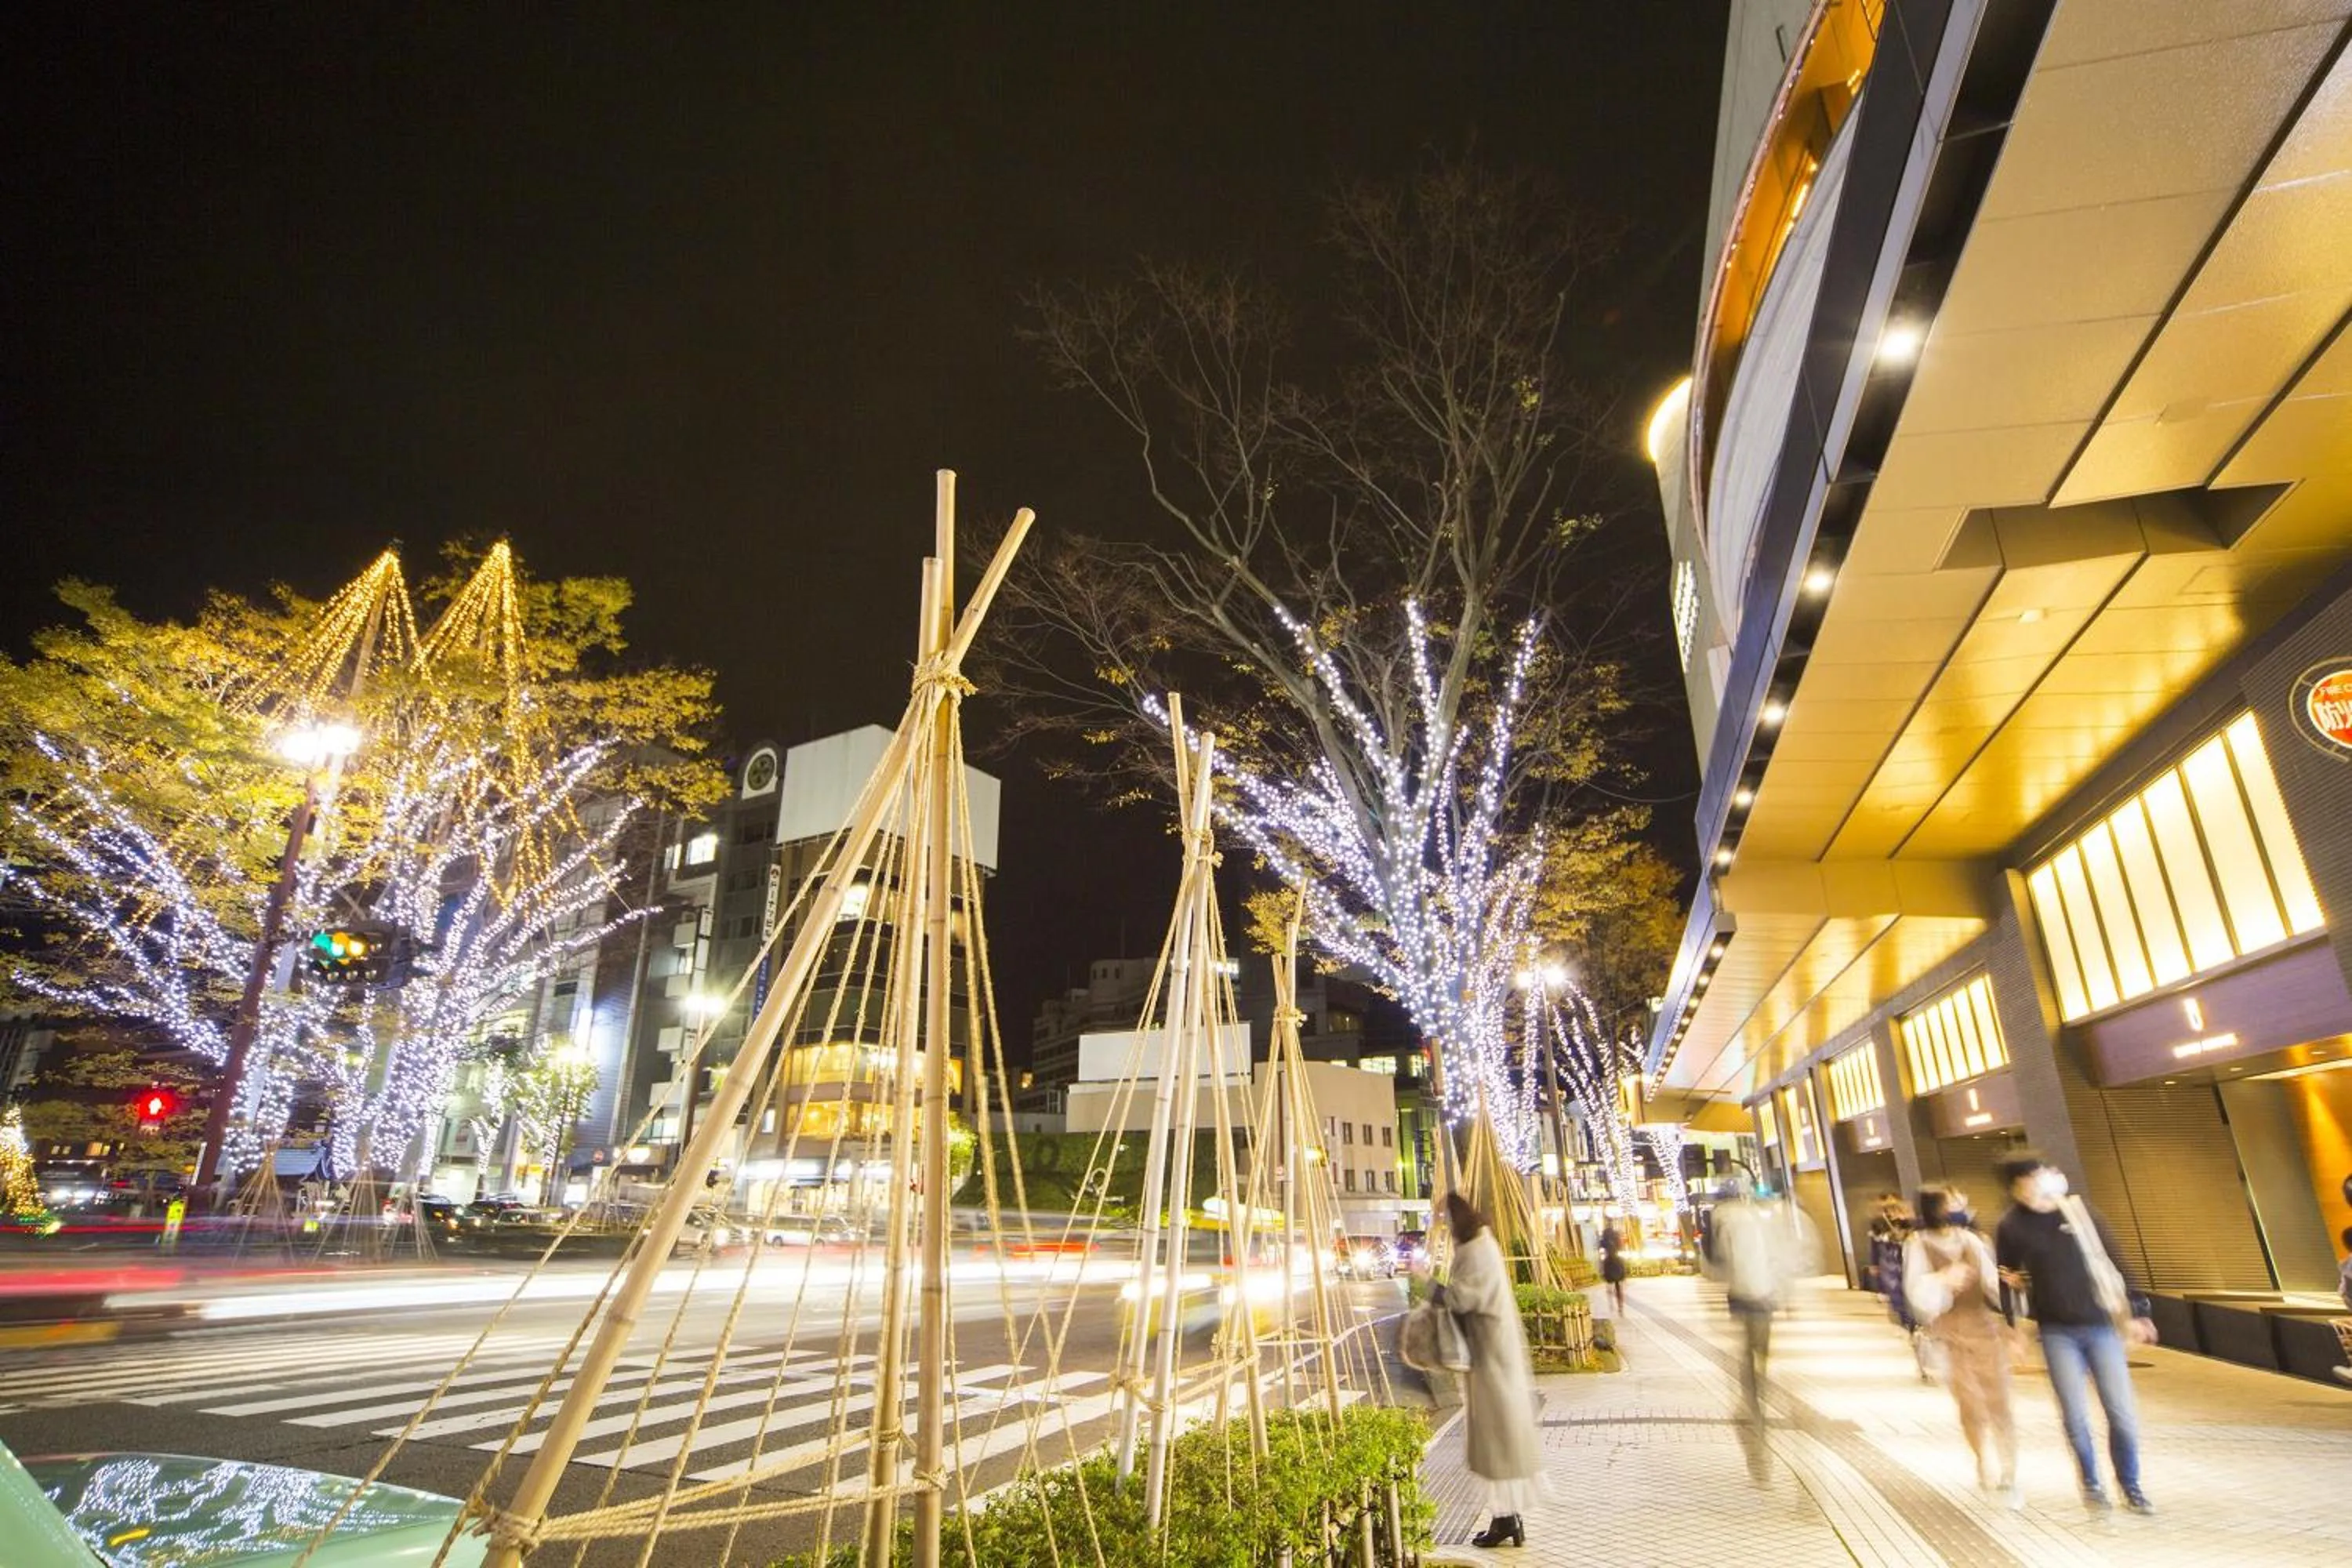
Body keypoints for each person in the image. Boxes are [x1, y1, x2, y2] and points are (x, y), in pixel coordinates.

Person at [1994, 1152, 2156, 1515]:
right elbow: (2005, 1277)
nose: (2039, 1182)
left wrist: (2139, 1311)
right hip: (2056, 1331)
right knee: (2075, 1416)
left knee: (2122, 1412)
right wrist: (2012, 1326)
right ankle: (2092, 1483)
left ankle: (2131, 1485)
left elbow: (2116, 1258)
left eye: (2041, 1174)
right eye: (2030, 1178)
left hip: (2101, 1326)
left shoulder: (2078, 1212)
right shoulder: (2011, 1226)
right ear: (2016, 1185)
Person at [1903, 1187, 2017, 1506]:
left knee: (1999, 1399)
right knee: (1970, 1403)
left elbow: (1992, 1283)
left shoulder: (1973, 1241)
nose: (1959, 1207)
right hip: (1950, 1332)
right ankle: (1983, 1458)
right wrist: (1942, 1280)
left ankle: (2009, 1467)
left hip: (1983, 1327)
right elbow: (1916, 1294)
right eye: (1950, 1202)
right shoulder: (1917, 1244)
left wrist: (2013, 1302)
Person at [1441, 1190, 1541, 1549]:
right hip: (1492, 1354)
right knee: (1497, 1440)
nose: (1446, 1228)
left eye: (1447, 1221)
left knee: (1495, 1441)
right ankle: (1508, 1517)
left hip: (1489, 1357)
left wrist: (1432, 1290)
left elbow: (1463, 1297)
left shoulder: (1475, 1251)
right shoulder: (1485, 1244)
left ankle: (1505, 1520)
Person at [1706, 1184, 1803, 1421]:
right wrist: (1787, 1293)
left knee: (1750, 1346)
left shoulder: (1725, 1219)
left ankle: (1753, 1388)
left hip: (1743, 1291)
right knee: (1758, 1346)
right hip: (1762, 1292)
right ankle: (1755, 1386)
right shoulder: (1759, 1220)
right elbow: (1779, 1257)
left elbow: (1717, 1259)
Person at [1597, 1220, 1628, 1316]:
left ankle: (1611, 1304)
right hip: (1617, 1261)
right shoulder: (1616, 1235)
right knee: (1619, 1286)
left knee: (1609, 1284)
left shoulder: (1605, 1235)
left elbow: (1599, 1247)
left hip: (1608, 1262)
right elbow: (1621, 1246)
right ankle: (1620, 1307)